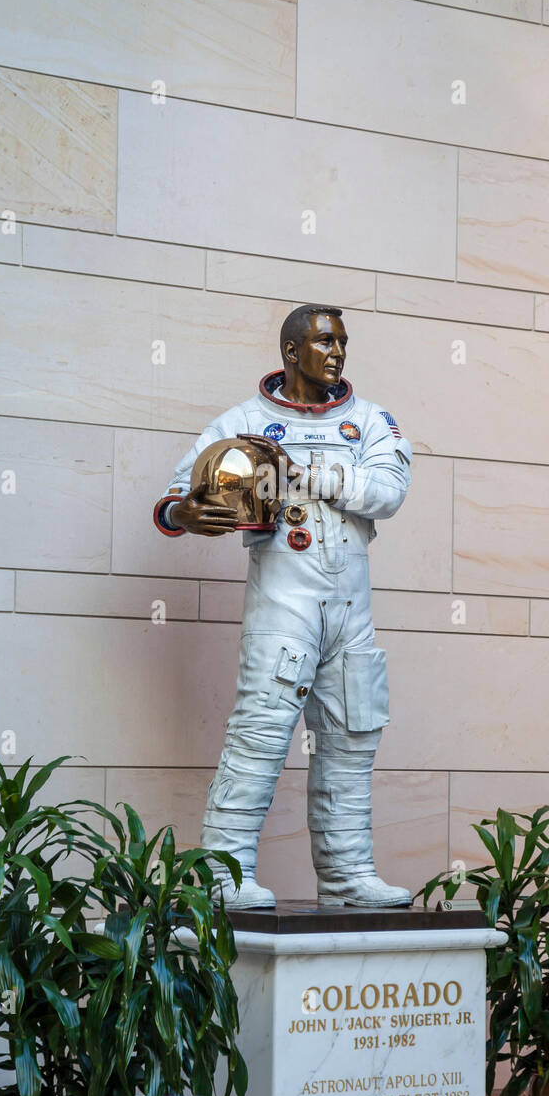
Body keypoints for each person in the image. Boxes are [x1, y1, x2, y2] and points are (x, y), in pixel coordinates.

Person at [155, 304, 412, 908]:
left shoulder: (371, 423)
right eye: (325, 342)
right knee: (261, 731)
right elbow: (175, 496)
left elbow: (388, 493)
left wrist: (310, 473)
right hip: (283, 603)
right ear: (291, 352)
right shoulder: (244, 422)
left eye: (343, 342)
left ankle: (349, 879)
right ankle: (223, 875)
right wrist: (185, 513)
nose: (338, 353)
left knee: (352, 734)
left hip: (350, 607)